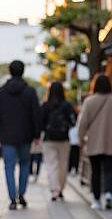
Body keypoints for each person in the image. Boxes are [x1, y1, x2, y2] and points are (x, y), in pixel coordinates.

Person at [0, 60, 40, 210]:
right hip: (26, 135)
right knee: (25, 164)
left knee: (9, 166)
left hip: (6, 136)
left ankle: (12, 198)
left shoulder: (1, 92)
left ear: (10, 71)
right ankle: (22, 194)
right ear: (23, 71)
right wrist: (36, 134)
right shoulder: (30, 91)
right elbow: (36, 114)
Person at [78, 74, 112, 210]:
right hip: (110, 141)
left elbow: (83, 123)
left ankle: (96, 200)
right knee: (110, 170)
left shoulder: (89, 101)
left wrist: (80, 139)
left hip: (94, 141)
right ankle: (109, 193)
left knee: (95, 171)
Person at [39, 82, 76, 202]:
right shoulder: (67, 105)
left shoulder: (45, 105)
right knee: (63, 164)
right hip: (64, 139)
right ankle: (61, 189)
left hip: (48, 139)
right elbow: (73, 121)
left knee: (51, 165)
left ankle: (54, 189)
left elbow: (40, 123)